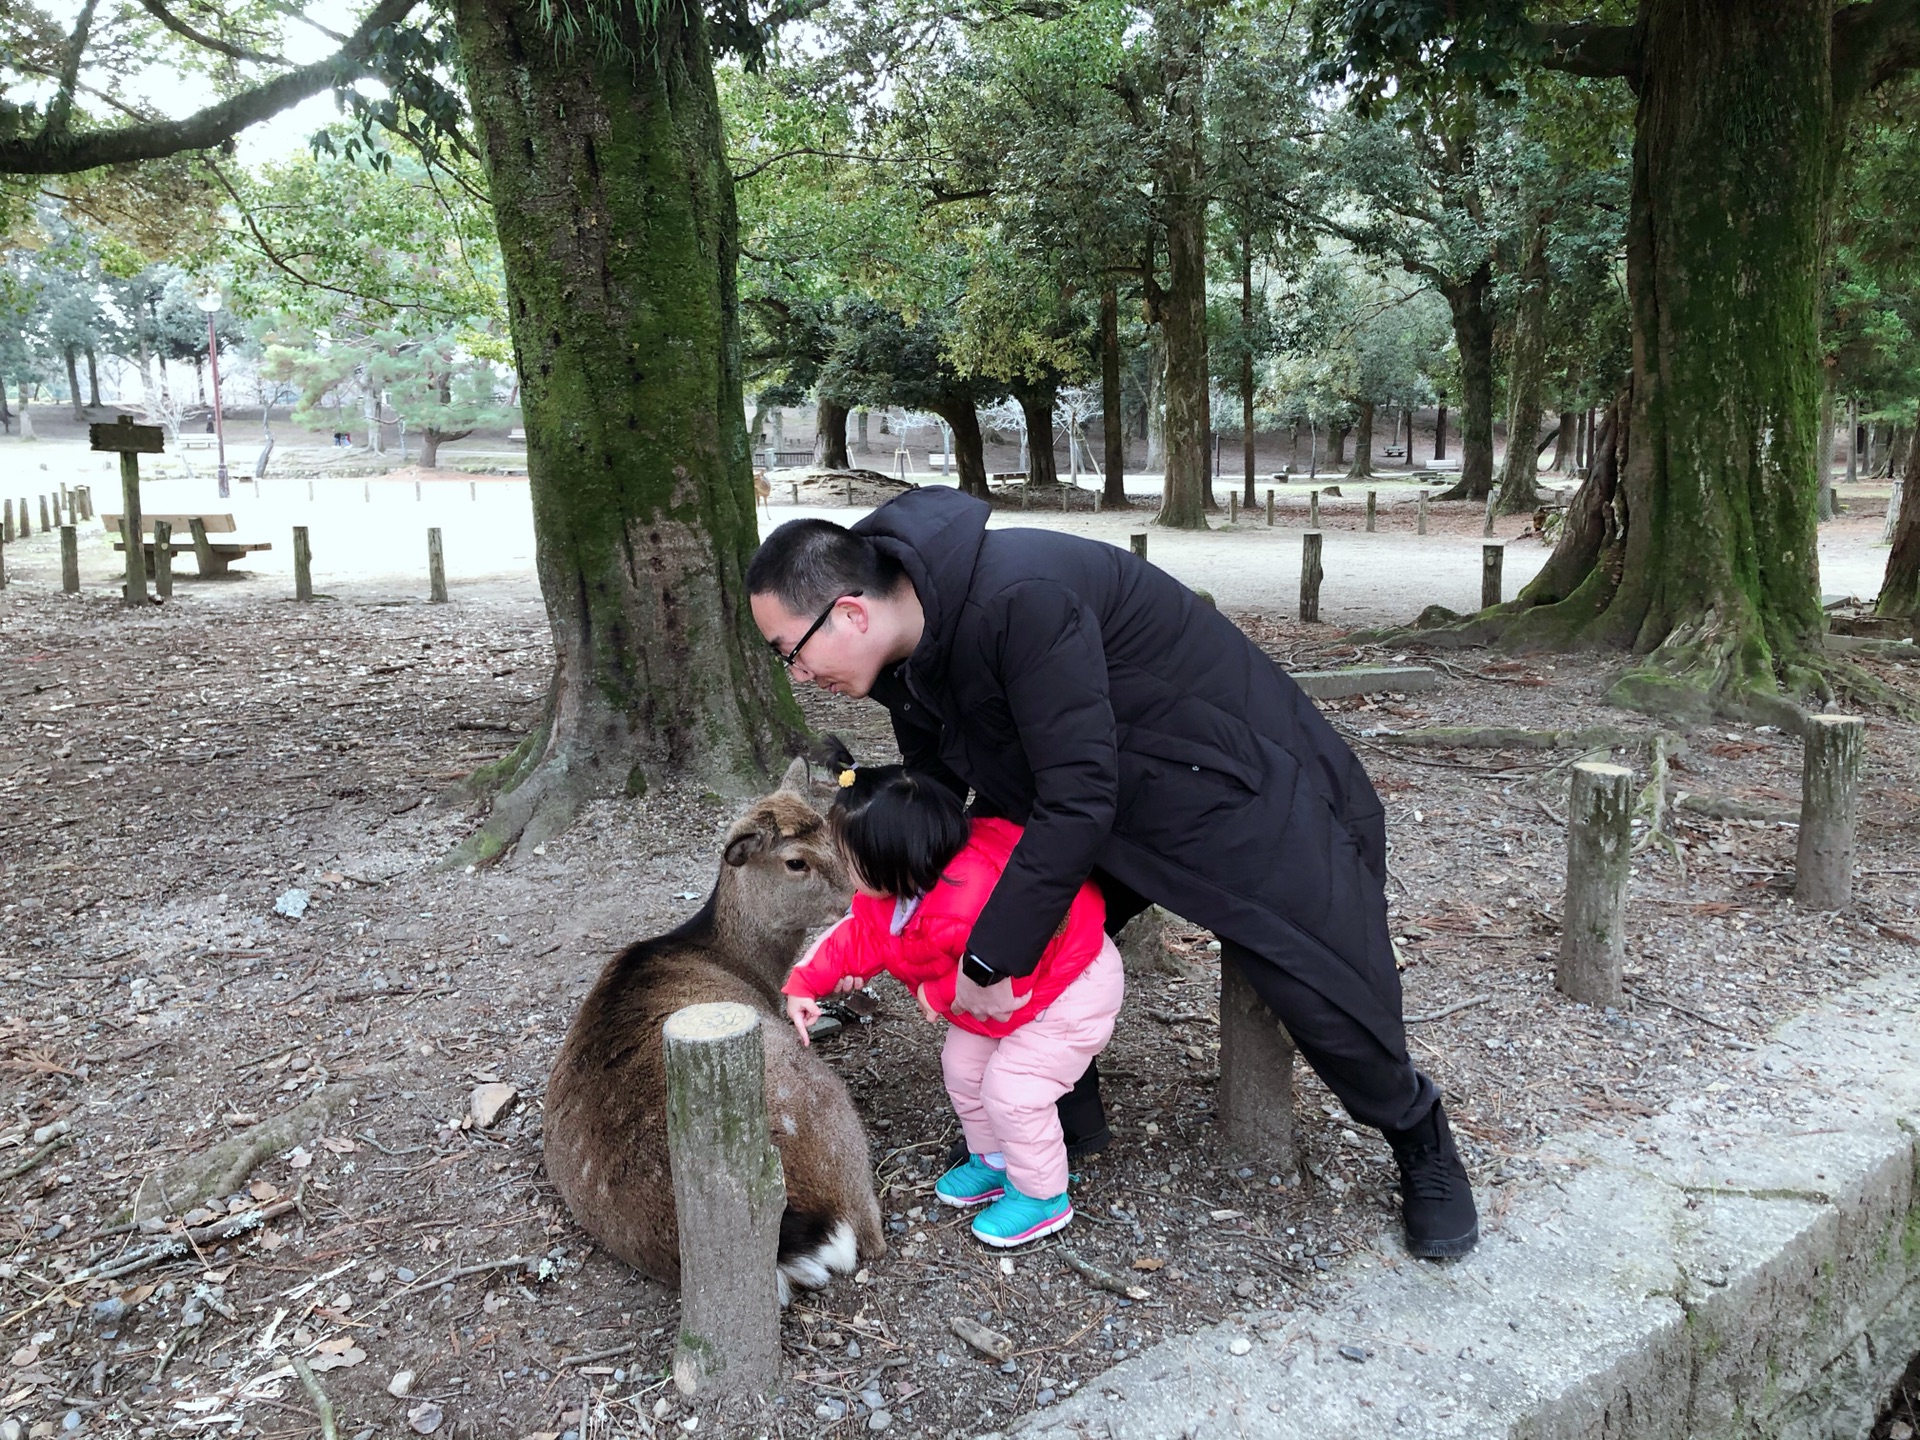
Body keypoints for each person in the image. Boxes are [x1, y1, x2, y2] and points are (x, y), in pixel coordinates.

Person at [746, 487, 1478, 1259]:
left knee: (1311, 973)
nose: (796, 676)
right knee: (999, 919)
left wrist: (994, 955)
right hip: (1091, 797)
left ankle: (1417, 1133)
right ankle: (1062, 1109)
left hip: (1223, 785)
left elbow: (1079, 795)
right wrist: (905, 923)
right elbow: (943, 812)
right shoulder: (905, 656)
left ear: (851, 613)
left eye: (791, 651)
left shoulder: (1019, 597)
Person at [782, 754, 1125, 1248]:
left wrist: (935, 994)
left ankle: (1042, 1195)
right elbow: (858, 937)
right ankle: (996, 1158)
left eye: (847, 856)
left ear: (891, 860)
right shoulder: (893, 895)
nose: (840, 866)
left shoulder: (969, 901)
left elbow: (1002, 976)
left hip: (1068, 990)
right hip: (1007, 1002)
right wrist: (805, 983)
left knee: (1014, 1090)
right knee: (962, 1067)